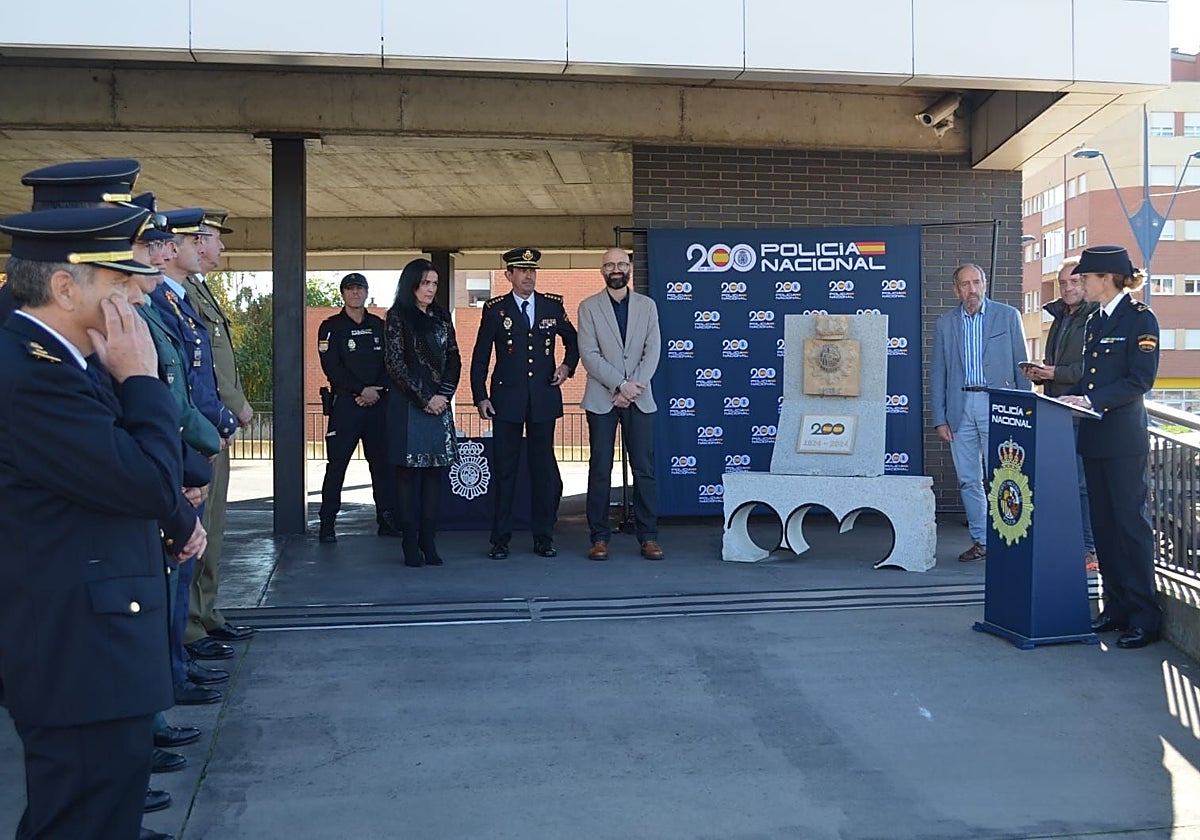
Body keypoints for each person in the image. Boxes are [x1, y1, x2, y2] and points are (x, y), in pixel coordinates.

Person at [0, 205, 206, 840]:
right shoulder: (32, 373)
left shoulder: (63, 360)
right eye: (117, 285)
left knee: (101, 811)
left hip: (94, 643)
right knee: (81, 818)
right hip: (76, 650)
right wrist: (140, 376)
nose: (132, 300)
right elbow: (144, 479)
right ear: (65, 287)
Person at [1058, 245, 1162, 649]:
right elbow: (1093, 378)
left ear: (1106, 278)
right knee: (1103, 526)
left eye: (1085, 277)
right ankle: (1115, 608)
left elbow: (1139, 381)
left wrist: (1091, 400)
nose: (1079, 282)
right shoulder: (1094, 321)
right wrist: (1071, 396)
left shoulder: (1140, 319)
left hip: (1123, 439)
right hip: (1095, 437)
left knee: (1129, 526)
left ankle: (1144, 617)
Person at [470, 247, 579, 559]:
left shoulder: (552, 306)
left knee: (542, 470)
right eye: (521, 270)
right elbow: (481, 356)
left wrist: (566, 367)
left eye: (532, 271)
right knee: (505, 470)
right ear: (509, 275)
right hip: (506, 399)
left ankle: (543, 537)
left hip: (543, 398)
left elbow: (573, 340)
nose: (528, 276)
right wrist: (480, 395)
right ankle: (500, 539)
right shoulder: (495, 309)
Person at [181, 211, 257, 649]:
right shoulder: (183, 295)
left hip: (214, 425)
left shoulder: (199, 291)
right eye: (213, 239)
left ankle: (207, 611)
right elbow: (201, 369)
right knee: (197, 525)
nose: (221, 248)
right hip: (203, 425)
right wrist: (238, 408)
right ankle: (190, 624)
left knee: (216, 526)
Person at [930, 262, 1028, 562]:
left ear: (984, 285)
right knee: (968, 478)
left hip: (997, 404)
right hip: (960, 408)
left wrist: (1024, 411)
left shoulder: (1007, 316)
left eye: (976, 283)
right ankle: (982, 540)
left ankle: (1008, 538)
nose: (971, 289)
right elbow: (938, 374)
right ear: (955, 289)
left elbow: (1021, 365)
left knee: (1004, 475)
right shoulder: (945, 324)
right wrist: (939, 418)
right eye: (965, 284)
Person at [577, 248, 663, 561]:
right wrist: (619, 384)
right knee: (600, 468)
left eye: (621, 264)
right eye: (610, 264)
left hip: (639, 397)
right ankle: (599, 538)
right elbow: (589, 354)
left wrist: (630, 389)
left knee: (645, 469)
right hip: (602, 398)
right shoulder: (588, 307)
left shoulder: (647, 306)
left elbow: (652, 351)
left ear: (629, 268)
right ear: (602, 270)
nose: (616, 269)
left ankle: (648, 537)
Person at [1021, 257, 1100, 570]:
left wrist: (1055, 374)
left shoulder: (1094, 318)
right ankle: (1068, 545)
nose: (1068, 288)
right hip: (1057, 410)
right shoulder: (1059, 317)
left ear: (1086, 284)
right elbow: (1061, 365)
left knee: (1081, 484)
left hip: (1081, 413)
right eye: (1063, 282)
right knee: (1061, 481)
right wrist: (1041, 373)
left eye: (1074, 281)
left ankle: (1088, 550)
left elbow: (1090, 371)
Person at [384, 258, 461, 566]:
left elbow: (454, 357)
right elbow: (394, 364)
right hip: (408, 405)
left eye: (434, 284)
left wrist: (444, 395)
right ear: (412, 284)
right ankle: (409, 542)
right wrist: (425, 397)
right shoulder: (397, 316)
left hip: (440, 404)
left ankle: (430, 541)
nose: (430, 289)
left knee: (433, 475)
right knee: (406, 476)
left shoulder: (442, 317)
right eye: (425, 283)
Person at [317, 272, 399, 542]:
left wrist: (374, 391)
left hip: (377, 405)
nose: (355, 293)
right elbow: (332, 367)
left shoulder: (378, 325)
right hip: (346, 407)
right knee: (337, 466)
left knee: (382, 466)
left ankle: (386, 519)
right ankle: (327, 523)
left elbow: (391, 363)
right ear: (343, 294)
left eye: (359, 289)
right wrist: (359, 390)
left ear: (366, 292)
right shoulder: (331, 327)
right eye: (350, 289)